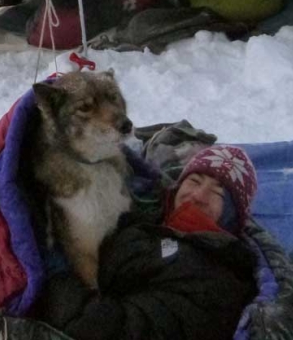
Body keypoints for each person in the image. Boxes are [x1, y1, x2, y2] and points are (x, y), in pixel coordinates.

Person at [40, 145, 260, 340]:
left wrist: (57, 276)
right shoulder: (146, 220)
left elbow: (113, 330)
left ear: (232, 217)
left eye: (217, 192)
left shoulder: (217, 282)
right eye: (194, 181)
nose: (198, 195)